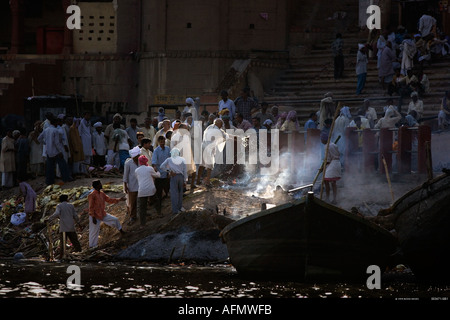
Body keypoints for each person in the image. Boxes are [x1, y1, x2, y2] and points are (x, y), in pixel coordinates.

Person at [88, 180, 126, 248]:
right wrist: (93, 217)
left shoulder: (102, 194)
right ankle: (92, 246)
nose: (101, 185)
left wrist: (119, 199)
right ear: (96, 186)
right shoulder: (92, 195)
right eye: (100, 184)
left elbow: (109, 200)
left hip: (102, 214)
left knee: (115, 219)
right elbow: (91, 207)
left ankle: (121, 231)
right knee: (94, 232)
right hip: (95, 216)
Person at [38, 118, 72, 185]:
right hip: (56, 151)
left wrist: (45, 143)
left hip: (49, 151)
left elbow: (39, 138)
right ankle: (66, 178)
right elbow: (56, 142)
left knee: (50, 167)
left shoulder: (46, 130)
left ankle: (49, 181)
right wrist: (60, 151)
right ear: (55, 123)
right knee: (63, 165)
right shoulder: (55, 130)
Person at [160, 148, 188, 214]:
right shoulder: (182, 159)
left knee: (174, 193)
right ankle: (180, 207)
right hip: (181, 177)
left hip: (174, 176)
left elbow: (162, 166)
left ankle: (175, 210)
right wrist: (185, 181)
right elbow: (185, 171)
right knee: (180, 193)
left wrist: (169, 171)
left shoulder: (169, 159)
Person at [135, 155, 160, 225]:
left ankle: (142, 224)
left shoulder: (137, 170)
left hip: (142, 190)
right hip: (151, 189)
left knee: (142, 208)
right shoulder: (150, 168)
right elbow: (157, 176)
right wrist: (157, 172)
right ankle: (159, 213)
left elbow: (138, 179)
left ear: (139, 162)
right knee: (156, 201)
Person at [152, 135, 171, 216]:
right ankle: (158, 211)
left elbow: (170, 160)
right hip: (160, 175)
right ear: (158, 142)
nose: (162, 142)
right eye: (160, 141)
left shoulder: (168, 149)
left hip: (167, 174)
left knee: (168, 191)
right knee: (158, 194)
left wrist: (169, 171)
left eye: (163, 140)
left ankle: (168, 210)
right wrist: (156, 170)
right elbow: (154, 163)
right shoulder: (156, 151)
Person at [320, 130, 341, 204]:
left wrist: (322, 168)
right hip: (337, 163)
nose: (321, 140)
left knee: (326, 180)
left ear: (324, 139)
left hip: (333, 164)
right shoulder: (333, 145)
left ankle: (328, 198)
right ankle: (333, 198)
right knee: (333, 182)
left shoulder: (327, 146)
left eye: (321, 139)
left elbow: (327, 159)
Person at [123, 146, 141, 225]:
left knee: (141, 200)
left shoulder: (140, 161)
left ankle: (141, 214)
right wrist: (125, 185)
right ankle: (133, 216)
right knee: (132, 202)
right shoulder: (128, 163)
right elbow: (125, 175)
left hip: (140, 184)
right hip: (132, 185)